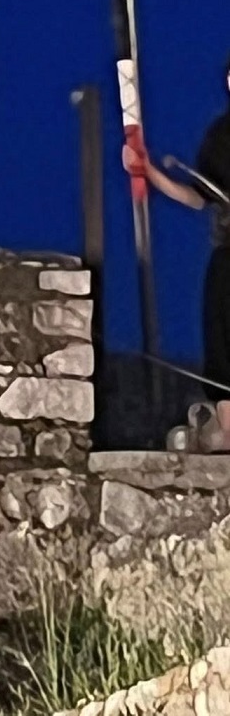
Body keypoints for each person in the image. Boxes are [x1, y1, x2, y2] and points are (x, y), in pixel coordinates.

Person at [123, 60, 230, 448]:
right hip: (229, 256)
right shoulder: (221, 136)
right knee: (224, 351)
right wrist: (148, 172)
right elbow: (198, 197)